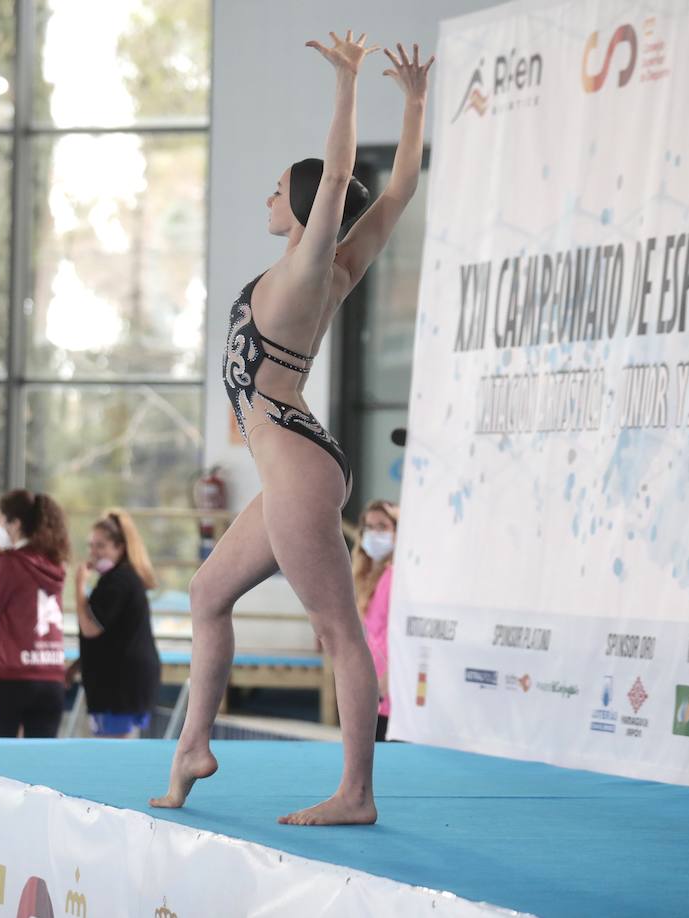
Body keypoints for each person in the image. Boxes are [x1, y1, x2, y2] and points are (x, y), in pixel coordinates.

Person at [151, 31, 433, 825]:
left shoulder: (310, 267)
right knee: (208, 593)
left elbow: (346, 177)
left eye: (278, 189)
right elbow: (399, 192)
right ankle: (193, 749)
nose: (266, 198)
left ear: (304, 208)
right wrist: (413, 104)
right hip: (293, 464)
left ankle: (357, 793)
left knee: (338, 632)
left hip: (300, 466)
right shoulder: (332, 270)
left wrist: (348, 83)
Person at [0, 489, 70, 738]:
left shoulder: (10, 564)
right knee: (41, 767)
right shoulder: (55, 563)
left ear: (15, 524)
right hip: (51, 676)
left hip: (12, 676)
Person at [75, 510, 162, 738]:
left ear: (120, 548)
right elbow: (112, 636)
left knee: (111, 754)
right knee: (116, 751)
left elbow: (90, 629)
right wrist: (75, 666)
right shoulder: (121, 578)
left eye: (101, 546)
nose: (93, 553)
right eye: (91, 546)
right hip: (127, 679)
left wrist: (78, 587)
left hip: (121, 684)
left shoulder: (118, 581)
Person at [352, 500, 398, 741]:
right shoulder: (367, 576)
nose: (374, 533)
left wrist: (389, 679)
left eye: (382, 526)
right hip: (369, 688)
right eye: (369, 527)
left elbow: (403, 634)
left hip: (389, 691)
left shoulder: (398, 576)